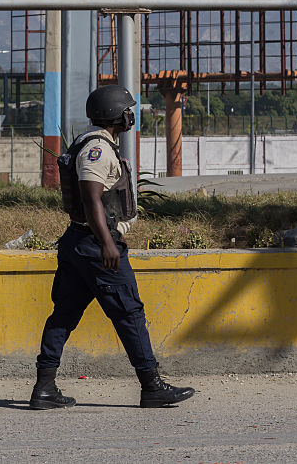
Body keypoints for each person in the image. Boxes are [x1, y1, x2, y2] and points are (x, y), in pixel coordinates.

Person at [30, 84, 195, 410]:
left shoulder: (91, 142)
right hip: (95, 246)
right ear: (114, 114)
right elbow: (92, 198)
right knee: (129, 313)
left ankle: (44, 388)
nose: (131, 115)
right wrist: (108, 243)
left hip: (78, 242)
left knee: (64, 315)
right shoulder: (98, 150)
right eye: (127, 109)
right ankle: (152, 386)